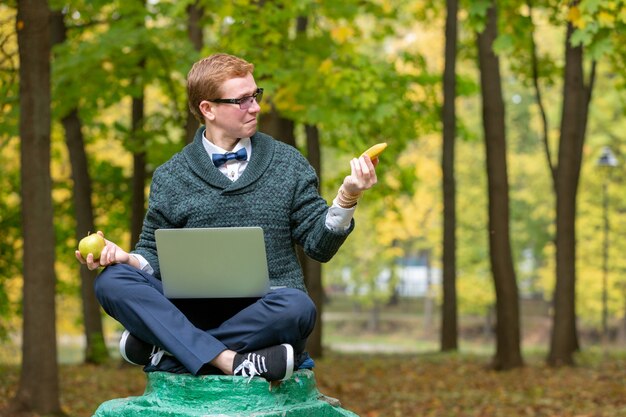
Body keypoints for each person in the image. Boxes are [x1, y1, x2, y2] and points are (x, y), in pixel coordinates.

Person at [75, 53, 379, 383]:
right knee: (112, 280)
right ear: (208, 109)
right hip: (189, 309)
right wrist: (126, 259)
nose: (256, 107)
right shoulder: (171, 176)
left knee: (299, 308)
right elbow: (154, 254)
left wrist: (347, 198)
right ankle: (230, 360)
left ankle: (168, 350)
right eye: (242, 100)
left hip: (265, 310)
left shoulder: (288, 163)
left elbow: (319, 247)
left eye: (255, 95)